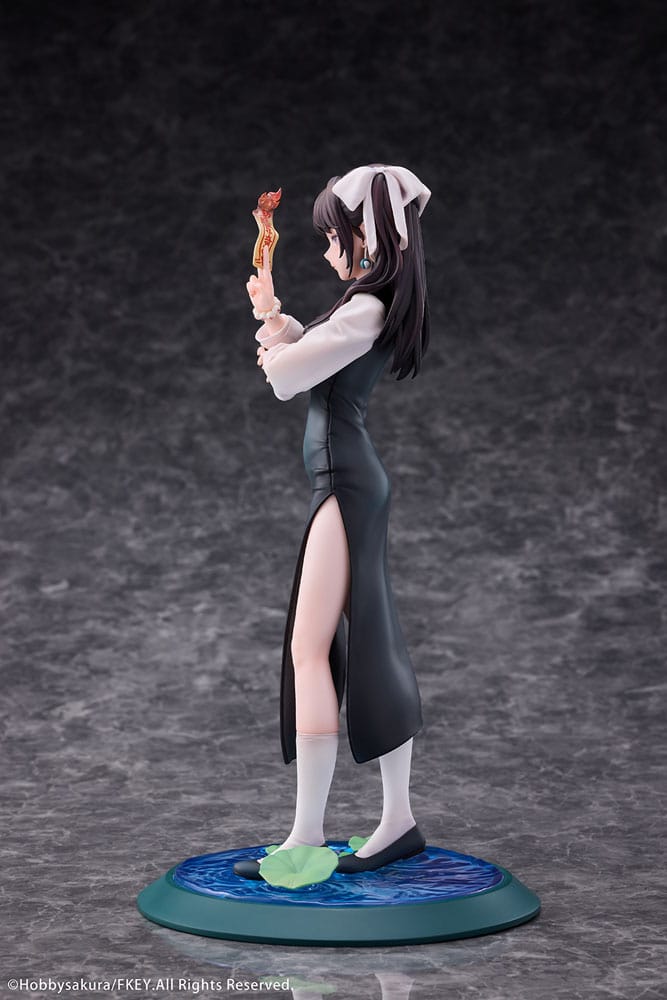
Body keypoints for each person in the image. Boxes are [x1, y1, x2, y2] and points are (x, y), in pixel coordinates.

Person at [234, 165, 431, 880]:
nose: (325, 250)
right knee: (365, 644)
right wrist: (273, 316)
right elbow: (311, 353)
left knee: (312, 649)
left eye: (332, 236)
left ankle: (308, 836)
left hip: (345, 486)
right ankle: (394, 821)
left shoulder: (367, 308)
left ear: (365, 235)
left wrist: (274, 344)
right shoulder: (363, 307)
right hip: (344, 483)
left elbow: (290, 377)